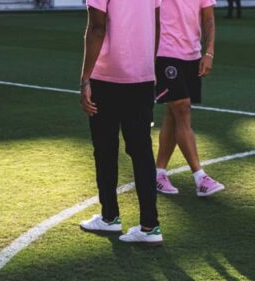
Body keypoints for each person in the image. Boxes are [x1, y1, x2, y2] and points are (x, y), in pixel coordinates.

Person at [78, 0, 164, 246]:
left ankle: (109, 217)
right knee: (141, 150)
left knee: (105, 149)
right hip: (143, 75)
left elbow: (96, 28)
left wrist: (85, 79)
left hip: (107, 76)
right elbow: (156, 24)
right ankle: (150, 225)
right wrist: (150, 66)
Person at [154, 0, 225, 198]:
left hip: (192, 55)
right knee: (182, 108)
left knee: (174, 113)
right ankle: (200, 177)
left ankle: (158, 173)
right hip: (165, 53)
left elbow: (208, 18)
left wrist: (209, 52)